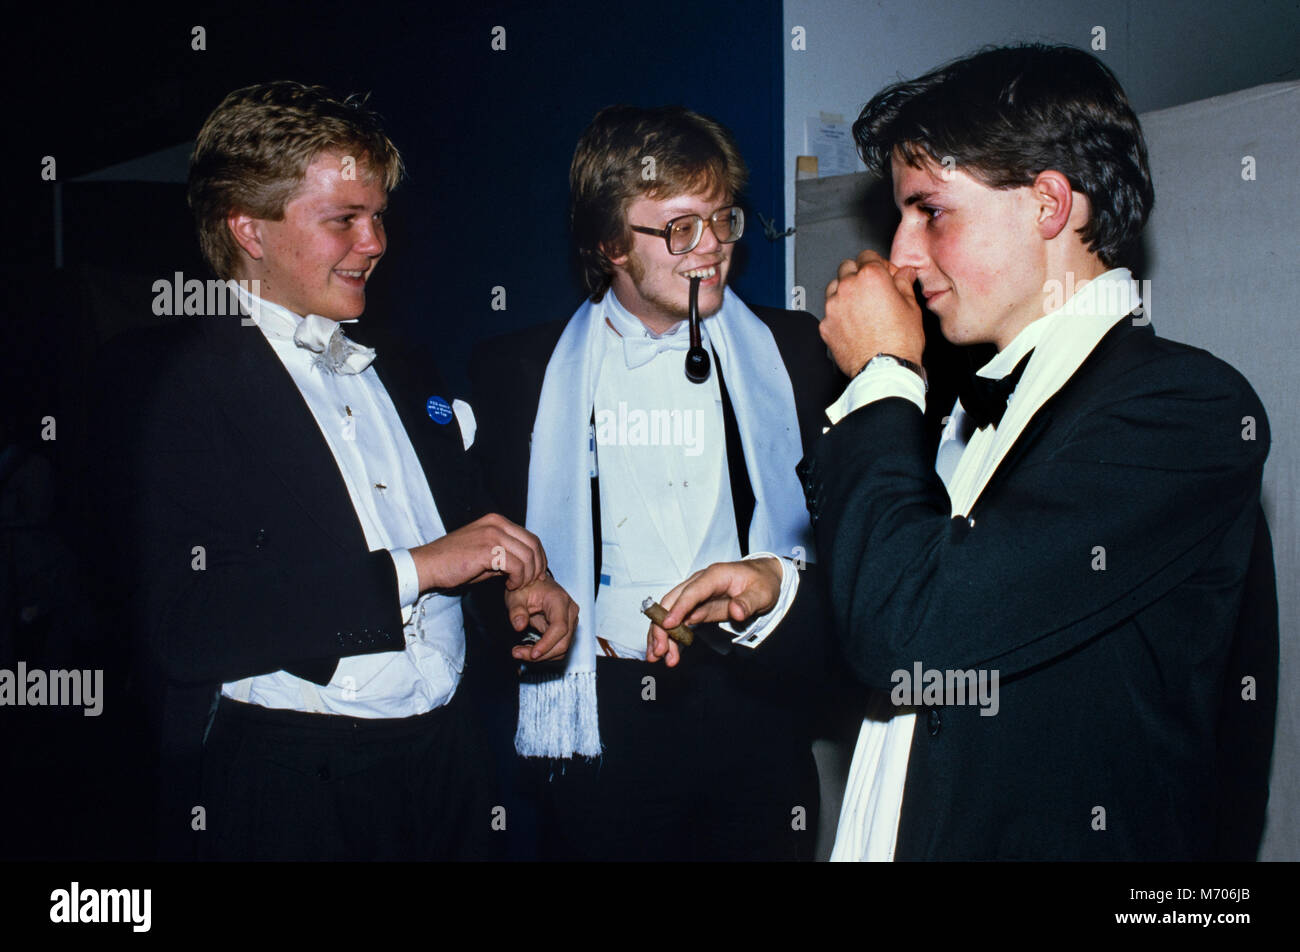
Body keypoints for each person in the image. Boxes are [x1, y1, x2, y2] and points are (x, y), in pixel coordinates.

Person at [804, 44, 1278, 861]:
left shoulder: (1184, 410)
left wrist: (881, 375)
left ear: (1049, 205)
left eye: (931, 211)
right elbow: (900, 635)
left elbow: (908, 625)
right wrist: (777, 597)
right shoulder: (957, 396)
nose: (903, 255)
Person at [99, 81, 576, 860]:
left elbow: (461, 534)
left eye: (379, 215)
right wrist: (417, 569)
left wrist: (521, 590)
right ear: (249, 230)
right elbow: (184, 626)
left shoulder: (405, 365)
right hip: (294, 782)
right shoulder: (169, 380)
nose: (376, 242)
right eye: (344, 220)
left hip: (448, 761)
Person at [470, 105, 844, 861]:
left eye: (721, 220)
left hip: (758, 702)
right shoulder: (515, 372)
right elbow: (487, 559)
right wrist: (513, 608)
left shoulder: (803, 351)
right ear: (609, 242)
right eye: (678, 228)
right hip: (604, 716)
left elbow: (856, 533)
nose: (710, 251)